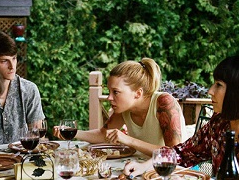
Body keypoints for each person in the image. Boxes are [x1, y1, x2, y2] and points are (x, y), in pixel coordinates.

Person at [53, 58, 188, 156]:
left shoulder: (164, 103)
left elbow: (174, 153)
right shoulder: (124, 109)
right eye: (109, 91)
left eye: (116, 92)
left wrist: (128, 140)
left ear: (138, 93)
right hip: (141, 167)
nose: (109, 98)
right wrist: (73, 132)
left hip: (172, 173)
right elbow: (103, 134)